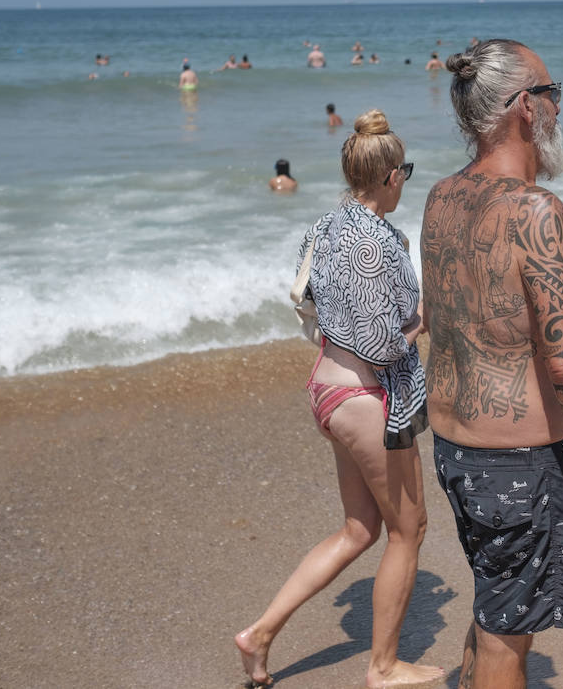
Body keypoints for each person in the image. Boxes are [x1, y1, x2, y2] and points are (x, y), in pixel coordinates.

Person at [420, 39, 563, 688]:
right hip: (516, 465)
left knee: (496, 608)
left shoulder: (440, 197)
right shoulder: (535, 212)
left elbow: (438, 323)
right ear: (524, 106)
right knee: (505, 642)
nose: (557, 109)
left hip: (454, 453)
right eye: (552, 95)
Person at [235, 110, 442, 689]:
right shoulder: (377, 241)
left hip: (326, 388)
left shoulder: (323, 226)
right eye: (407, 171)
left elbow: (304, 302)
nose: (407, 181)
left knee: (359, 530)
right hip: (363, 397)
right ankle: (382, 667)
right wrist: (421, 321)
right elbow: (380, 346)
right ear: (390, 176)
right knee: (410, 528)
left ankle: (259, 636)